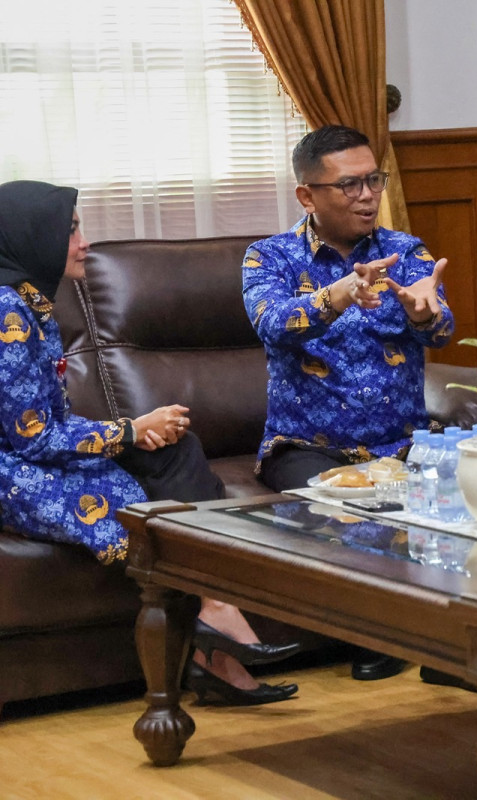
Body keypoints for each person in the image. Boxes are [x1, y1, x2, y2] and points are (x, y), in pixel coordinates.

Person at [0, 180, 298, 706]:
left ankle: (216, 623)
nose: (84, 243)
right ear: (31, 236)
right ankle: (219, 631)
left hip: (36, 450)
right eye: (70, 232)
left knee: (175, 449)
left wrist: (143, 432)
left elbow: (49, 423)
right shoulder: (6, 313)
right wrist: (129, 430)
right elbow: (32, 436)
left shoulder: (32, 303)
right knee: (139, 510)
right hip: (14, 469)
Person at [243, 125, 453, 682]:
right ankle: (389, 635)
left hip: (403, 443)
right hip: (308, 447)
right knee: (347, 510)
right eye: (350, 185)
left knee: (474, 500)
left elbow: (440, 330)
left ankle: (459, 648)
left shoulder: (405, 251)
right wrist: (339, 294)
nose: (367, 195)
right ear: (307, 195)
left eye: (373, 180)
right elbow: (273, 323)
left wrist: (422, 314)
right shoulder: (270, 257)